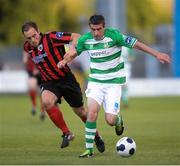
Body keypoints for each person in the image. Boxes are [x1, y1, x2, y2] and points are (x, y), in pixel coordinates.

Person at [58, 14, 171, 157]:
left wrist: (157, 54)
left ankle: (118, 120)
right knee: (91, 113)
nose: (96, 33)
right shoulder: (85, 39)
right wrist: (65, 60)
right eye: (93, 29)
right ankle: (89, 150)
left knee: (110, 120)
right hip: (96, 82)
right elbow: (74, 52)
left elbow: (137, 44)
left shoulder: (115, 36)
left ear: (104, 27)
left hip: (113, 83)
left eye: (99, 29)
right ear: (90, 28)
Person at [21, 21, 105, 152]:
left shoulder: (51, 38)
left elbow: (76, 36)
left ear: (39, 31)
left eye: (34, 36)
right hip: (49, 82)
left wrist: (71, 49)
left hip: (66, 80)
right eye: (29, 38)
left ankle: (97, 136)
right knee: (47, 101)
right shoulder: (27, 47)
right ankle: (66, 133)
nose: (32, 40)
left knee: (81, 112)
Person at [23, 50, 46, 120]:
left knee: (43, 92)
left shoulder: (42, 46)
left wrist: (38, 69)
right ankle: (34, 105)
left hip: (42, 73)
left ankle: (42, 110)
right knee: (31, 86)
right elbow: (25, 61)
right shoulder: (27, 47)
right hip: (32, 72)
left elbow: (45, 58)